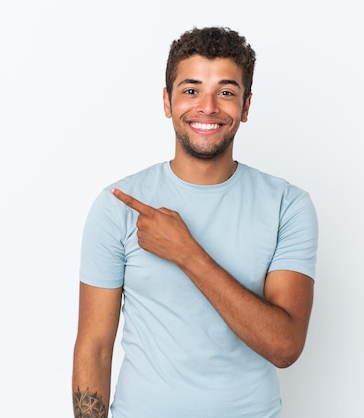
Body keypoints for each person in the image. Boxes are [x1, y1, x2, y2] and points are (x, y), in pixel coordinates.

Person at [72, 26, 318, 418]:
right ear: (167, 102)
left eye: (226, 92)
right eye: (190, 90)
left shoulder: (287, 205)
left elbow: (284, 347)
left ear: (246, 106)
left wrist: (187, 253)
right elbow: (94, 346)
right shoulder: (118, 204)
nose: (208, 107)